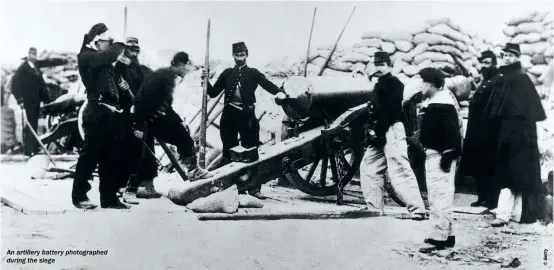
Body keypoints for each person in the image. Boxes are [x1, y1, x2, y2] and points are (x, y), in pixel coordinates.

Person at [202, 42, 285, 200]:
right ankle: (231, 187)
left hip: (247, 115)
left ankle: (253, 188)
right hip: (229, 116)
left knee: (251, 152)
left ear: (247, 55)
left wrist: (282, 93)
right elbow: (213, 93)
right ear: (232, 56)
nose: (239, 58)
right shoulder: (227, 74)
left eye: (242, 55)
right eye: (236, 55)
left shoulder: (253, 73)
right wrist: (205, 81)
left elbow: (269, 86)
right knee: (229, 152)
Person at [72, 23, 135, 209]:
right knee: (90, 155)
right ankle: (79, 196)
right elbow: (108, 55)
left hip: (110, 112)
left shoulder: (103, 60)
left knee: (111, 156)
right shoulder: (85, 56)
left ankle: (108, 198)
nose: (109, 45)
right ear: (96, 42)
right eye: (107, 42)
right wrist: (119, 44)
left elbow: (113, 70)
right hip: (96, 111)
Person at [483, 43, 546, 227]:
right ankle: (515, 214)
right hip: (506, 135)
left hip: (519, 137)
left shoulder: (521, 79)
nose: (506, 58)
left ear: (518, 57)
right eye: (504, 55)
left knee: (513, 175)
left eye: (510, 55)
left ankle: (504, 214)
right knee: (513, 175)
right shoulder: (504, 79)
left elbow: (526, 113)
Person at [359, 52, 426, 220]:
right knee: (369, 166)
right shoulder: (377, 85)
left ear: (389, 66)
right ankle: (374, 208)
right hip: (379, 131)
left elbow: (392, 111)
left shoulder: (396, 84)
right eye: (376, 64)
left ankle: (417, 209)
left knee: (399, 167)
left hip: (392, 128)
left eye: (382, 64)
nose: (379, 67)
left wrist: (378, 131)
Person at [133, 52, 213, 183]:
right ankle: (193, 171)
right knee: (142, 155)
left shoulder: (168, 76)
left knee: (183, 135)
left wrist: (180, 121)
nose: (187, 71)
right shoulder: (161, 77)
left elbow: (167, 106)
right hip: (147, 121)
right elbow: (140, 100)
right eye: (187, 67)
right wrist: (139, 126)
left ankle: (193, 171)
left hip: (157, 119)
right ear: (181, 65)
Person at [416, 68, 462, 253]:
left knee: (439, 196)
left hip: (440, 155)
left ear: (431, 84)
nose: (420, 86)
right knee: (439, 195)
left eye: (422, 82)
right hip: (435, 154)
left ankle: (438, 238)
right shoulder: (435, 101)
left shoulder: (442, 104)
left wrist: (449, 154)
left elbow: (452, 133)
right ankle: (447, 235)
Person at [112, 37, 157, 204]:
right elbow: (110, 86)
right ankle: (123, 188)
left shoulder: (142, 69)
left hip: (141, 113)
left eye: (135, 48)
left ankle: (147, 184)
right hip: (124, 114)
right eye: (129, 48)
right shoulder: (118, 69)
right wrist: (120, 89)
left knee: (145, 149)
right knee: (126, 151)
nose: (133, 51)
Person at [459, 50, 502, 209]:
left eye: (487, 63)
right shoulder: (485, 81)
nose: (484, 66)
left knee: (489, 165)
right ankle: (482, 197)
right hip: (476, 130)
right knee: (478, 165)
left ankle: (492, 199)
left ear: (494, 64)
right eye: (482, 63)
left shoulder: (497, 81)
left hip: (488, 132)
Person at [11, 47, 66, 156]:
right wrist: (20, 100)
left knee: (34, 124)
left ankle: (34, 148)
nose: (34, 57)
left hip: (36, 100)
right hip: (28, 101)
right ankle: (29, 150)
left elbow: (40, 84)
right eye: (32, 54)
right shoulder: (23, 68)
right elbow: (15, 85)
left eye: (35, 54)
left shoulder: (35, 67)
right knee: (30, 124)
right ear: (28, 55)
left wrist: (45, 99)